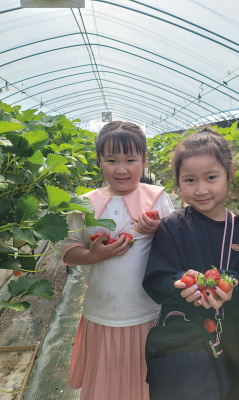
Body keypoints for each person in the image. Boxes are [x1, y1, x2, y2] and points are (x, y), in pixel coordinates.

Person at [142, 127, 239, 400]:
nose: (201, 189)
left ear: (229, 175)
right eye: (189, 180)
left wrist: (232, 289)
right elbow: (154, 280)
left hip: (228, 341)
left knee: (227, 390)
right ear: (177, 182)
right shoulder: (171, 227)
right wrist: (178, 285)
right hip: (178, 341)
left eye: (211, 177)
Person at [61, 121, 174, 400]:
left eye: (130, 160)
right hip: (102, 313)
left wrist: (160, 230)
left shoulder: (158, 199)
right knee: (108, 382)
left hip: (147, 311)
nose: (121, 169)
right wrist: (92, 255)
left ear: (145, 160)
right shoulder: (84, 204)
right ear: (99, 161)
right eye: (111, 160)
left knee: (145, 381)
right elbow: (69, 249)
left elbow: (179, 246)